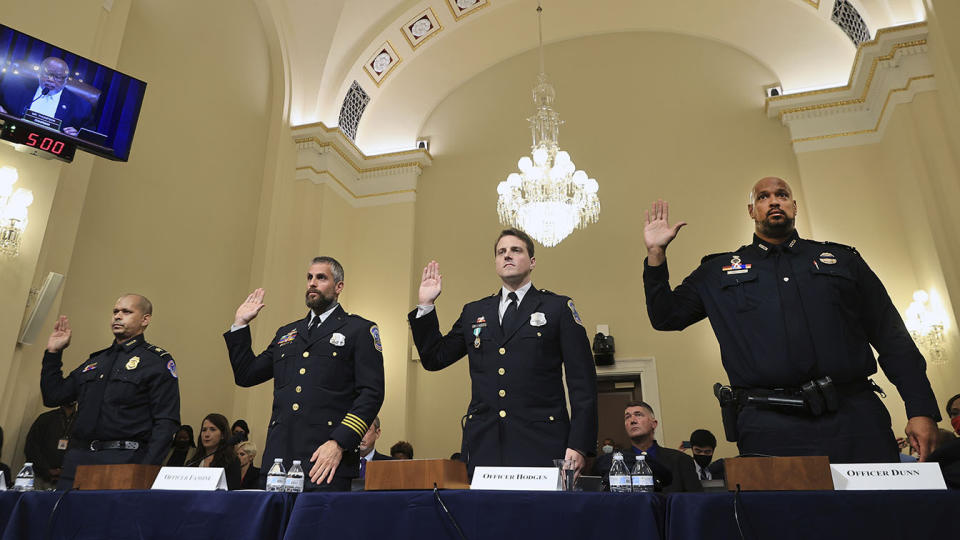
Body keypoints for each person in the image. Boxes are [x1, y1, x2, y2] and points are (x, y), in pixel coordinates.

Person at [642, 178, 941, 462]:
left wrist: (921, 409)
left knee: (878, 511)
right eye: (763, 197)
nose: (774, 201)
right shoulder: (717, 271)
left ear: (794, 207)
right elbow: (667, 316)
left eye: (782, 195)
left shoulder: (842, 260)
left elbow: (891, 336)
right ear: (751, 211)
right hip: (769, 426)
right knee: (784, 515)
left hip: (854, 417)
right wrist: (656, 256)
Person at [409, 228, 598, 474]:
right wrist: (426, 305)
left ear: (532, 262)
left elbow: (582, 381)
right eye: (501, 252)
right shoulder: (474, 312)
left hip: (542, 443)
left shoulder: (557, 307)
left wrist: (579, 444)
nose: (507, 255)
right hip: (485, 444)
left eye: (515, 250)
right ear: (496, 262)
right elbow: (435, 358)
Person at [224, 256, 385, 491]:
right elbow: (247, 375)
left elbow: (371, 393)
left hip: (325, 460)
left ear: (338, 287)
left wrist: (340, 443)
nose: (312, 283)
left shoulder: (358, 330)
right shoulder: (287, 333)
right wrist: (240, 325)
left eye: (321, 278)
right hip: (279, 460)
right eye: (309, 277)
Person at [41, 294, 180, 489]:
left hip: (124, 459)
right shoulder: (96, 361)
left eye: (126, 311)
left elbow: (166, 421)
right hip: (79, 460)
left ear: (145, 319)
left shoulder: (155, 361)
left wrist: (146, 468)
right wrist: (53, 354)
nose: (117, 316)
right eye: (115, 311)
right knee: (65, 518)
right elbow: (53, 396)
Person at [594, 401, 702, 493]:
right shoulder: (615, 463)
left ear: (654, 424)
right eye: (627, 417)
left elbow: (695, 503)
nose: (632, 420)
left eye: (638, 415)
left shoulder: (680, 460)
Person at [0, 56, 94, 135]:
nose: (51, 80)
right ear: (39, 73)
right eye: (47, 74)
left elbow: (89, 138)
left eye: (57, 77)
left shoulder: (82, 107)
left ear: (66, 81)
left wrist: (77, 135)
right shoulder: (12, 87)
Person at [23, 402, 77, 489]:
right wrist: (46, 470)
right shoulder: (45, 418)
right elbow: (31, 448)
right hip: (41, 478)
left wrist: (67, 471)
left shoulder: (82, 422)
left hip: (70, 480)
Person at [188, 413, 241, 490]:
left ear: (222, 435)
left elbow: (233, 492)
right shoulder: (193, 461)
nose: (206, 434)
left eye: (212, 429)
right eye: (204, 430)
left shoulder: (231, 462)